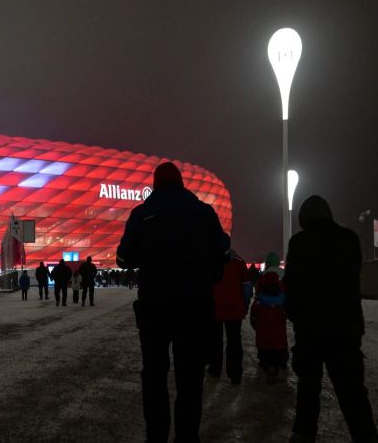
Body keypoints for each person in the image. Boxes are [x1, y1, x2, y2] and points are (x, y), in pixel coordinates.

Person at [117, 162, 228, 443]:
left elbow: (124, 257)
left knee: (154, 374)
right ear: (181, 183)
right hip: (194, 306)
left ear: (155, 184)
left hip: (154, 306)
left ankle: (156, 436)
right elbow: (223, 250)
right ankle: (187, 437)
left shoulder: (142, 214)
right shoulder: (203, 212)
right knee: (190, 376)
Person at [285, 195, 378, 443]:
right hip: (345, 329)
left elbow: (293, 287)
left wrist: (294, 315)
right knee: (353, 394)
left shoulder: (299, 243)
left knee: (308, 391)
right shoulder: (349, 239)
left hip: (310, 330)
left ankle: (303, 434)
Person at [208, 246, 249, 384]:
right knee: (234, 340)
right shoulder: (239, 262)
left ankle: (215, 369)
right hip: (235, 308)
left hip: (215, 307)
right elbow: (247, 287)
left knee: (215, 339)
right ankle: (235, 373)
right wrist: (245, 305)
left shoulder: (211, 262)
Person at [251, 271, 288, 384]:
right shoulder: (283, 300)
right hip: (279, 337)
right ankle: (275, 367)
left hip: (263, 335)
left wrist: (256, 327)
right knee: (277, 354)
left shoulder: (259, 300)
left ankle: (268, 368)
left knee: (265, 355)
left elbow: (253, 315)